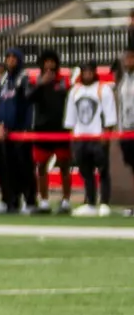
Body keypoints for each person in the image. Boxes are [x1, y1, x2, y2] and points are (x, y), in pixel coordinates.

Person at [0, 48, 35, 215]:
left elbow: (29, 104)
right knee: (7, 168)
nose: (10, 60)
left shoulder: (24, 79)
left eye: (14, 57)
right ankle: (11, 201)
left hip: (21, 132)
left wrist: (25, 128)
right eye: (8, 57)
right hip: (5, 132)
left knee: (25, 167)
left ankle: (29, 201)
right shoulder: (2, 81)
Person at [66, 62, 115, 218]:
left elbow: (109, 114)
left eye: (90, 71)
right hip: (81, 138)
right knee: (86, 172)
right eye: (84, 71)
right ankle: (91, 202)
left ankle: (105, 202)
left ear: (94, 72)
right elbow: (71, 117)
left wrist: (106, 134)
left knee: (103, 170)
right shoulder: (75, 91)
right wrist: (74, 138)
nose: (87, 74)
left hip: (97, 137)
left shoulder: (103, 89)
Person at [28, 49, 72, 216]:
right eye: (46, 61)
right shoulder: (35, 82)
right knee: (41, 167)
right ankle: (44, 201)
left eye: (52, 61)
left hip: (61, 130)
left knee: (64, 166)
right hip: (42, 130)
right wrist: (41, 84)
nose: (49, 64)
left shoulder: (64, 82)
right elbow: (29, 98)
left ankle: (66, 200)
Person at [120, 49, 134, 217]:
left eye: (131, 58)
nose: (128, 61)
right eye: (127, 58)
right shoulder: (123, 79)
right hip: (127, 130)